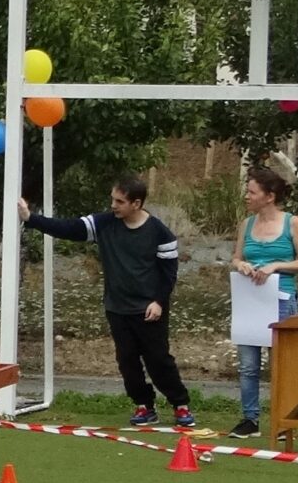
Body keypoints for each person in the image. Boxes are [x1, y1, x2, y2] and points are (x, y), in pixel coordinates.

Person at [19, 177, 193, 430]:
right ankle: (144, 406)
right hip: (117, 308)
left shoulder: (161, 233)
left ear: (136, 203)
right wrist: (31, 218)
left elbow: (169, 275)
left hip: (149, 310)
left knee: (158, 360)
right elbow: (69, 228)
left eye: (119, 201)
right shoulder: (103, 223)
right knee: (127, 361)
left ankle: (180, 404)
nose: (113, 205)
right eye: (112, 199)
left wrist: (158, 302)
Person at [229, 162, 298, 439]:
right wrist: (241, 265)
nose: (247, 196)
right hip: (250, 300)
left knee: (281, 364)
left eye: (252, 192)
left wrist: (275, 266)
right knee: (248, 365)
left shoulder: (292, 223)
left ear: (269, 196)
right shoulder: (247, 224)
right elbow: (236, 257)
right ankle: (250, 419)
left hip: (280, 299)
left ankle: (284, 419)